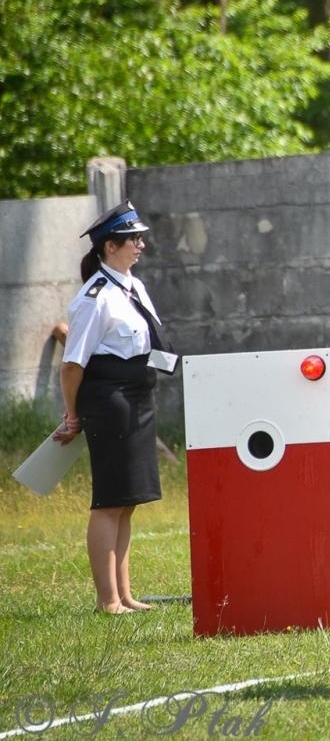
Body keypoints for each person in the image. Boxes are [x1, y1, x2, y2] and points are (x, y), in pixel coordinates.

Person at [52, 201, 175, 614]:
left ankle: (125, 594)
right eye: (132, 239)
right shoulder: (95, 297)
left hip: (138, 394)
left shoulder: (131, 284)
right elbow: (72, 365)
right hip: (110, 399)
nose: (140, 245)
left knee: (128, 499)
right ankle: (108, 600)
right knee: (109, 500)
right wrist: (73, 415)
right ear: (109, 246)